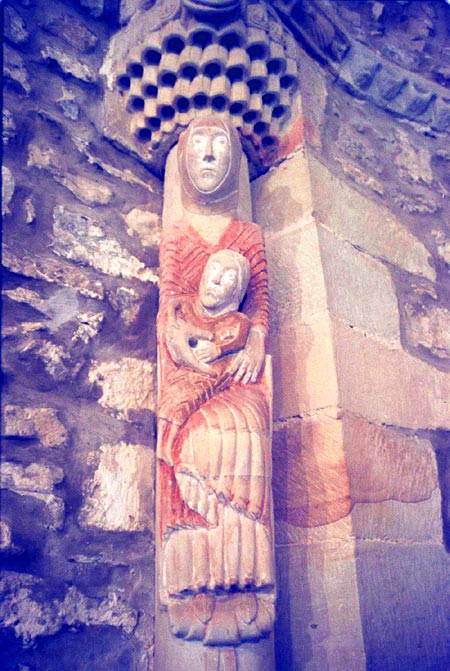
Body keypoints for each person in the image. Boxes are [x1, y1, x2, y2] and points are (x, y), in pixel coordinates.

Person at [157, 116, 275, 641]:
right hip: (188, 365)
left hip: (239, 368)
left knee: (247, 436)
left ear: (234, 162)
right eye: (198, 144)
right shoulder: (178, 233)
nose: (207, 155)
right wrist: (180, 342)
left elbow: (263, 306)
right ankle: (191, 567)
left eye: (219, 145)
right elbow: (168, 307)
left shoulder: (249, 235)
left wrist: (254, 340)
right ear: (182, 157)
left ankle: (243, 568)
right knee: (189, 441)